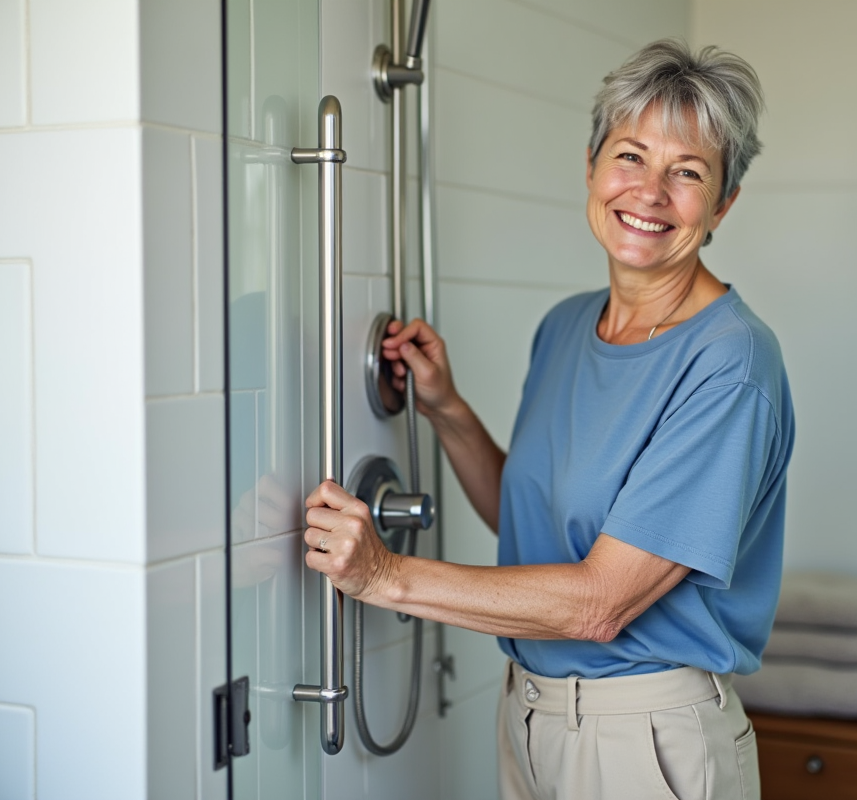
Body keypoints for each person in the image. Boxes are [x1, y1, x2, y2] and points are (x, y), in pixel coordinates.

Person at [303, 38, 794, 800]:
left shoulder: (730, 365)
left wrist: (385, 576)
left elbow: (601, 603)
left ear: (723, 204)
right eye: (630, 156)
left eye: (688, 172)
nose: (651, 191)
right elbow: (531, 523)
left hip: (647, 743)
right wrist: (447, 410)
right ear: (592, 166)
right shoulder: (567, 327)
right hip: (530, 716)